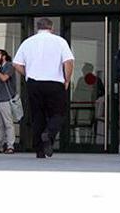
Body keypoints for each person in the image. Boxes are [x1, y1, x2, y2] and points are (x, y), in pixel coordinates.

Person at [13, 18, 74, 159]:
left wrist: (28, 73)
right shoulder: (60, 41)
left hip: (34, 83)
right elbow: (69, 61)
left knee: (37, 116)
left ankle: (39, 151)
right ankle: (49, 133)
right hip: (54, 82)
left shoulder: (28, 42)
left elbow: (16, 64)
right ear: (51, 28)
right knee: (58, 113)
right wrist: (67, 79)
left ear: (37, 28)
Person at [0, 49, 17, 154]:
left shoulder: (9, 66)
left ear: (4, 56)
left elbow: (4, 78)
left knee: (8, 124)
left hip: (5, 99)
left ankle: (10, 146)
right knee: (0, 125)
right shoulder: (1, 67)